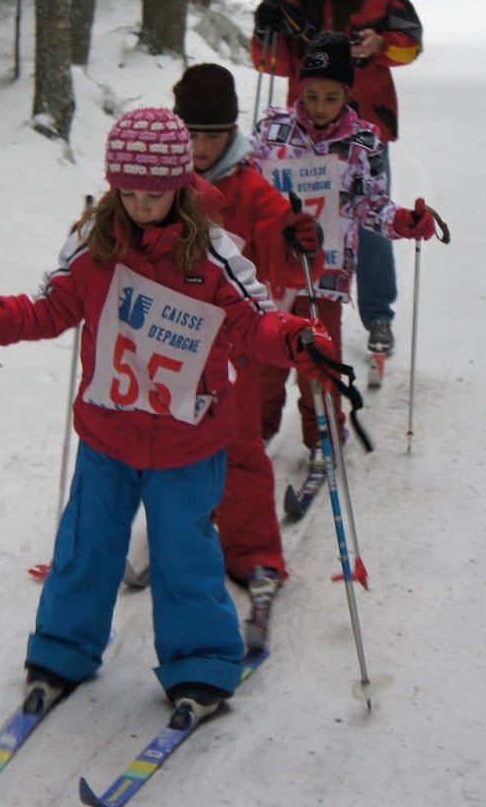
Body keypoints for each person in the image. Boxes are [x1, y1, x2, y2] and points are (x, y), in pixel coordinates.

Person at [0, 107, 342, 721]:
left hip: (188, 442)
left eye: (154, 193)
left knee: (184, 555)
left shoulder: (213, 254)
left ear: (179, 186)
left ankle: (200, 662)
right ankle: (62, 650)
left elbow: (252, 321)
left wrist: (295, 339)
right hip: (108, 435)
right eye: (128, 192)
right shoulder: (94, 245)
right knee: (85, 547)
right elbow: (48, 308)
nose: (141, 205)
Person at [170, 64, 321, 643]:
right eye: (191, 134)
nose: (201, 147)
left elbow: (288, 265)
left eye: (213, 135)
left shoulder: (251, 189)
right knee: (164, 447)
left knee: (239, 446)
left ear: (231, 132)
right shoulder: (157, 184)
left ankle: (255, 551)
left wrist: (297, 240)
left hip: (231, 346)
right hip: (165, 341)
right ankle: (178, 536)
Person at [250, 32, 438, 453]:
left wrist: (403, 221)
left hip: (327, 272)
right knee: (265, 363)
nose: (319, 107)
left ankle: (324, 437)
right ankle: (253, 439)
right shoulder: (272, 131)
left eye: (331, 98)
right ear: (299, 89)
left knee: (318, 361)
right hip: (272, 271)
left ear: (347, 94)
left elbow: (371, 205)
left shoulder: (363, 143)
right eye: (311, 95)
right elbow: (243, 184)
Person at [251, 0, 424, 359]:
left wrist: (381, 44)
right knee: (297, 221)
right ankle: (290, 303)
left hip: (368, 125)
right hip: (305, 132)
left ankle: (378, 314)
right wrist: (264, 31)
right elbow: (268, 62)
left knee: (369, 214)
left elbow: (413, 43)